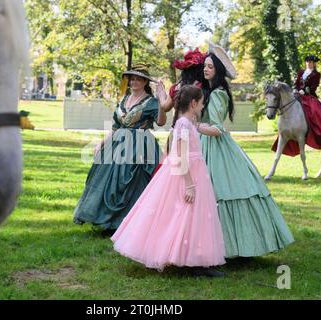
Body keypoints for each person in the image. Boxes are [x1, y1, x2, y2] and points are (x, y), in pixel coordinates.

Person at [112, 85, 226, 277]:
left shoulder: (188, 124)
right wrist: (189, 184)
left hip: (195, 172)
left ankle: (194, 259)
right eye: (201, 102)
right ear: (193, 104)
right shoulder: (182, 124)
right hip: (185, 175)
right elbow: (179, 157)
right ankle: (188, 260)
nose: (203, 106)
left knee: (194, 216)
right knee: (183, 213)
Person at [199, 43, 294, 259]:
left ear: (219, 71)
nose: (205, 70)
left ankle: (225, 246)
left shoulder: (217, 94)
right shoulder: (212, 90)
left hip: (213, 147)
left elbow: (216, 128)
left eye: (210, 67)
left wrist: (193, 126)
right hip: (207, 143)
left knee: (220, 192)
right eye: (205, 66)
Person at [73, 65, 167, 236]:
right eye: (132, 78)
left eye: (138, 79)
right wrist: (100, 143)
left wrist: (162, 102)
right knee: (108, 181)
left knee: (132, 183)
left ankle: (129, 223)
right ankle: (108, 221)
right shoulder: (124, 100)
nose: (134, 81)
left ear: (145, 82)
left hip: (139, 146)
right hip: (117, 144)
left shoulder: (151, 102)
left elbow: (161, 122)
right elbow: (116, 127)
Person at [274, 55, 321, 161]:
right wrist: (295, 89)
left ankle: (318, 129)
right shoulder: (301, 72)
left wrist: (304, 91)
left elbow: (314, 86)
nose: (309, 64)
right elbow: (296, 83)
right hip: (297, 95)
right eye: (308, 62)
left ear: (314, 64)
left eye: (311, 62)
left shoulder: (316, 74)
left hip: (309, 97)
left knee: (314, 110)